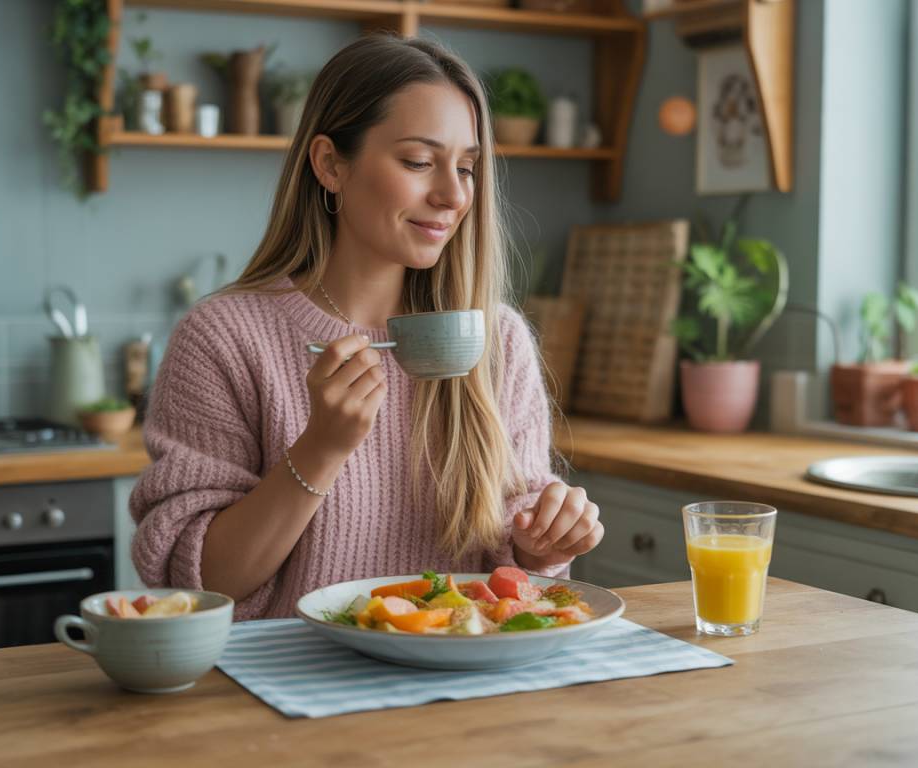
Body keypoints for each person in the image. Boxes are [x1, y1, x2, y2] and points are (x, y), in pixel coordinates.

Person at [129, 34, 604, 620]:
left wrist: (541, 543)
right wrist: (321, 449)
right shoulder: (224, 338)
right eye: (418, 162)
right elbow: (205, 585)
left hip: (462, 688)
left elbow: (513, 562)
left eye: (466, 167)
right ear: (331, 164)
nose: (453, 195)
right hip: (286, 690)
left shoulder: (496, 340)